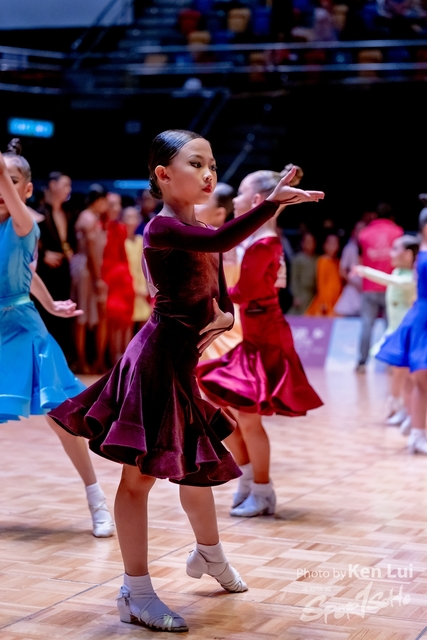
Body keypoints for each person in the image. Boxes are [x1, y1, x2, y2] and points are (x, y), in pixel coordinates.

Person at [48, 129, 324, 633]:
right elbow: (219, 242)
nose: (208, 173)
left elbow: (218, 291)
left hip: (179, 365)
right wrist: (271, 205)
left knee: (196, 468)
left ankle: (210, 555)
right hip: (154, 364)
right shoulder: (162, 228)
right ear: (163, 174)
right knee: (139, 479)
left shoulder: (198, 226)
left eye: (212, 164)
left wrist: (223, 318)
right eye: (196, 164)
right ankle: (136, 592)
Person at [0, 139, 114, 538]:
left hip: (24, 330)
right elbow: (27, 271)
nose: (2, 189)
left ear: (27, 189)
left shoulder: (25, 224)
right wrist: (50, 303)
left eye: (10, 182)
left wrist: (43, 311)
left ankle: (97, 500)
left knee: (62, 417)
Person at [197, 169, 324, 519]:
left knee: (248, 419)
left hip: (261, 335)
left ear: (254, 199)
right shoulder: (256, 235)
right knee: (227, 409)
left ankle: (263, 490)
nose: (233, 199)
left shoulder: (263, 242)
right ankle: (250, 479)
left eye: (240, 192)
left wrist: (207, 295)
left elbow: (246, 291)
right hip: (250, 332)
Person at [353, 234, 418, 429]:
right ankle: (400, 407)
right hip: (394, 331)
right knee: (398, 373)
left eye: (396, 249)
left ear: (408, 254)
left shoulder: (412, 278)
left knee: (408, 375)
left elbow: (392, 281)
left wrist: (365, 271)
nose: (391, 253)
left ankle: (408, 411)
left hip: (408, 333)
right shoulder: (398, 272)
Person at [376, 210, 427, 454]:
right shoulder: (423, 255)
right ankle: (415, 428)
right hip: (420, 319)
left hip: (417, 316)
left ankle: (414, 425)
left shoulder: (420, 256)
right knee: (417, 377)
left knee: (416, 378)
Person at [356, 205, 404, 372]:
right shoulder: (398, 232)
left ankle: (362, 363)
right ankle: (391, 364)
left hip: (369, 287)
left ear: (374, 216)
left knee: (366, 326)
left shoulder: (363, 233)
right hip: (391, 287)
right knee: (391, 326)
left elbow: (360, 258)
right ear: (391, 217)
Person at [35, 171, 76, 364]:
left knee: (64, 313)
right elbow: (30, 241)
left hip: (63, 270)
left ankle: (61, 361)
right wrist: (44, 255)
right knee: (46, 315)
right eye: (65, 185)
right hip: (44, 272)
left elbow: (69, 241)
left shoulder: (68, 212)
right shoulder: (39, 212)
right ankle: (44, 360)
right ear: (52, 185)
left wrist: (70, 251)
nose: (68, 189)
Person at [70, 184, 109, 374]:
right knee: (82, 314)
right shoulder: (88, 218)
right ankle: (81, 360)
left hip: (90, 268)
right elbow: (92, 252)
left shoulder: (93, 218)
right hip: (86, 270)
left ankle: (93, 360)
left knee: (91, 313)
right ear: (99, 201)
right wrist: (97, 278)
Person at [122, 205, 152, 334]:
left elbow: (144, 265)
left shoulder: (140, 240)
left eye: (134, 217)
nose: (131, 221)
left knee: (144, 319)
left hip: (141, 286)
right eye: (128, 217)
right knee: (126, 323)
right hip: (126, 286)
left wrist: (146, 286)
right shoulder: (121, 241)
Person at [305, 231, 343, 316]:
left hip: (337, 298)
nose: (334, 246)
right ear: (325, 245)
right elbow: (321, 284)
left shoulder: (339, 262)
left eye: (336, 243)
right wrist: (324, 302)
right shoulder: (322, 261)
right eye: (331, 243)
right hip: (326, 299)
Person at [334, 220, 366, 317]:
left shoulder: (369, 248)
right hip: (353, 287)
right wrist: (354, 284)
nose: (361, 232)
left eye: (363, 230)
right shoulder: (349, 248)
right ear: (354, 231)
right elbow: (342, 271)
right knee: (341, 313)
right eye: (358, 229)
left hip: (367, 290)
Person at [288, 231, 318, 314]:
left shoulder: (317, 259)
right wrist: (296, 296)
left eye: (311, 241)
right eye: (307, 241)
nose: (309, 244)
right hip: (302, 294)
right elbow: (294, 279)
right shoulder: (297, 259)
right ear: (302, 243)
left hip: (314, 294)